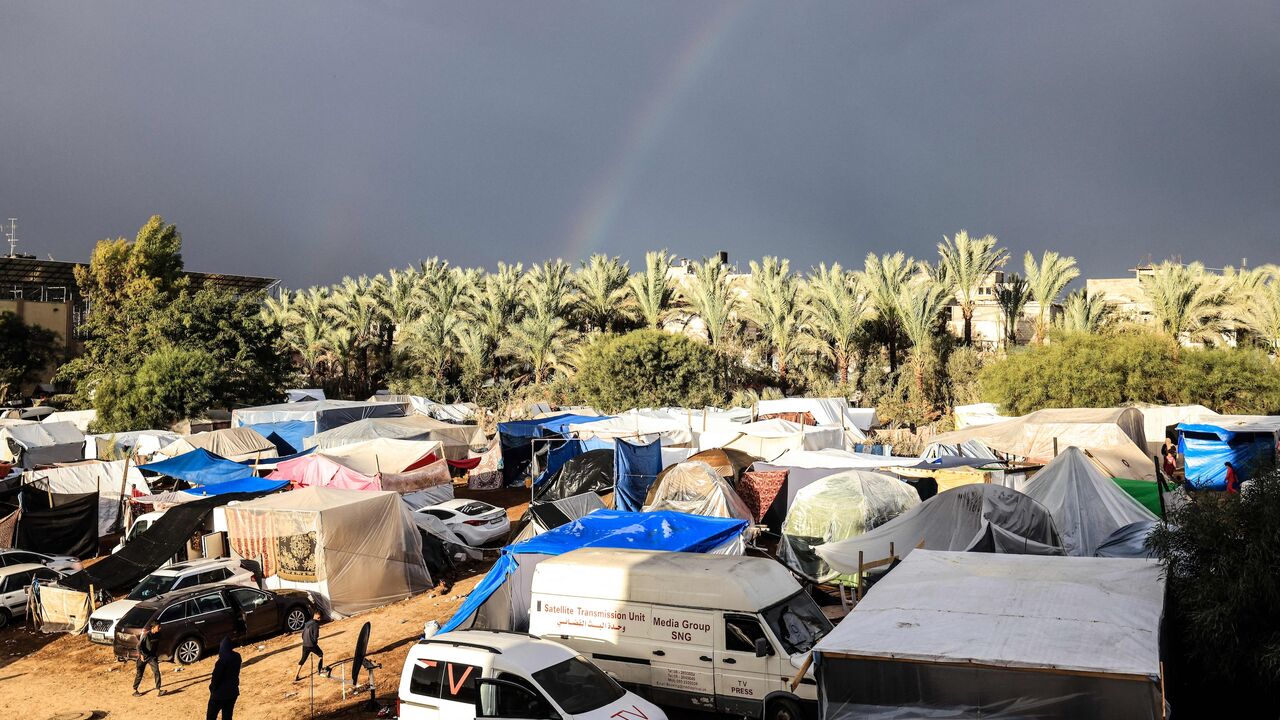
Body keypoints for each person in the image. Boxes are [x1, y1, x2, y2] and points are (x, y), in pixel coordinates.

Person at [207, 637, 241, 720]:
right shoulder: (237, 657)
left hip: (219, 695)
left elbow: (216, 678)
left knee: (211, 716)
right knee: (227, 716)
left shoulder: (221, 661)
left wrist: (212, 688)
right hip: (232, 693)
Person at [133, 622, 164, 696]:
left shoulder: (158, 634)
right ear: (153, 627)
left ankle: (158, 689)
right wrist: (141, 655)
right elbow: (138, 646)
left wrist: (156, 655)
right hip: (143, 657)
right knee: (139, 673)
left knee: (156, 671)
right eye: (158, 627)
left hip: (152, 657)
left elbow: (156, 646)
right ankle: (135, 690)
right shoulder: (146, 635)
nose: (160, 628)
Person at [294, 611, 324, 682]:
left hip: (305, 644)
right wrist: (315, 643)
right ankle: (320, 670)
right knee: (321, 654)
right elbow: (315, 636)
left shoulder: (307, 623)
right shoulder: (316, 624)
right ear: (319, 618)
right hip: (312, 645)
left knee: (302, 660)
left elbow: (303, 634)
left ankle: (296, 675)